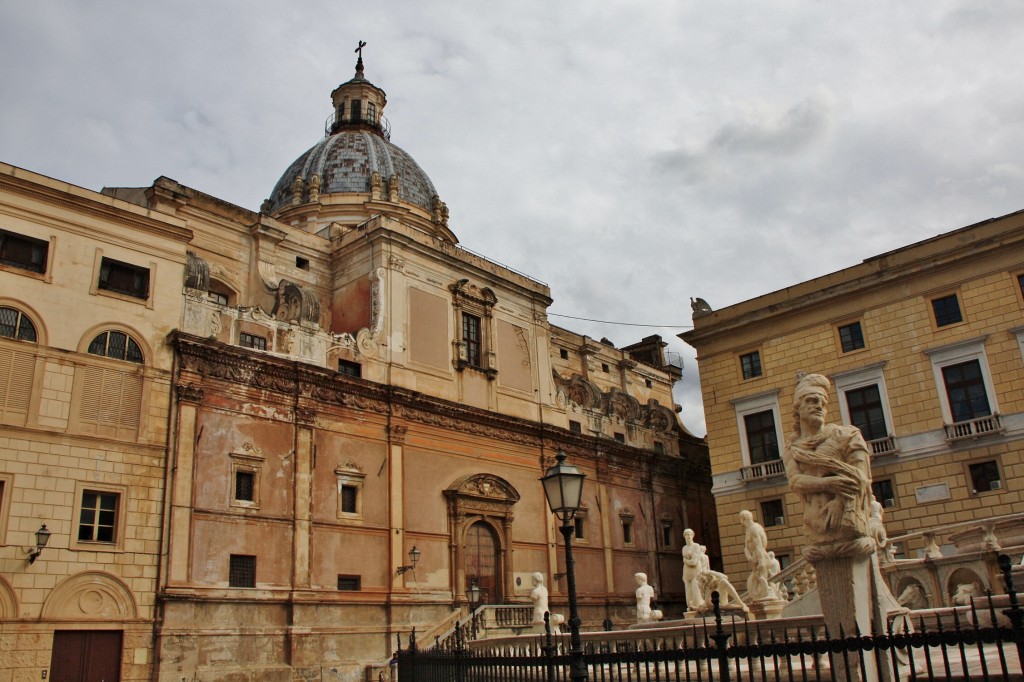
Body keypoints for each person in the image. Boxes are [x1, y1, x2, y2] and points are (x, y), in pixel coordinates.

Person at [782, 373, 873, 560]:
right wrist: (830, 483)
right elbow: (796, 481)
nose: (819, 406)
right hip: (815, 524)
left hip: (847, 518)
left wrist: (840, 501)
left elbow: (860, 475)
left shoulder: (846, 435)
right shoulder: (792, 448)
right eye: (812, 401)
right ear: (798, 408)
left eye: (823, 403)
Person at [740, 510, 772, 600]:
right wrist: (750, 558)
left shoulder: (754, 528)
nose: (740, 521)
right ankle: (760, 595)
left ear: (743, 518)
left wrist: (761, 561)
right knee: (754, 580)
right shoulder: (748, 529)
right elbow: (746, 547)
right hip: (754, 556)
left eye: (740, 518)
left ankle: (765, 594)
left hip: (759, 555)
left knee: (761, 577)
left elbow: (759, 545)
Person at [681, 528, 703, 609]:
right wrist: (687, 561)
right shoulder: (684, 548)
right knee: (688, 590)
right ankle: (690, 606)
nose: (689, 536)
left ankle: (698, 606)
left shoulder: (696, 546)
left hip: (695, 570)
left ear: (693, 535)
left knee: (695, 588)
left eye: (690, 534)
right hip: (687, 570)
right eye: (687, 534)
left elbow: (694, 562)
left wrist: (686, 561)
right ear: (684, 536)